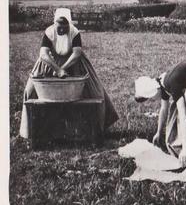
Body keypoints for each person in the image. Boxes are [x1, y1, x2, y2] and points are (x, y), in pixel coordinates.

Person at [19, 8, 118, 139]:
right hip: (50, 62)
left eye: (64, 27)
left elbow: (76, 54)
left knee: (96, 92)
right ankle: (32, 131)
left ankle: (92, 130)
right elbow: (43, 54)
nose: (61, 30)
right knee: (29, 91)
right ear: (55, 24)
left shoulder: (75, 33)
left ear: (69, 25)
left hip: (73, 62)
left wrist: (63, 69)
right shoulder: (49, 32)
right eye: (59, 27)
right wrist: (57, 69)